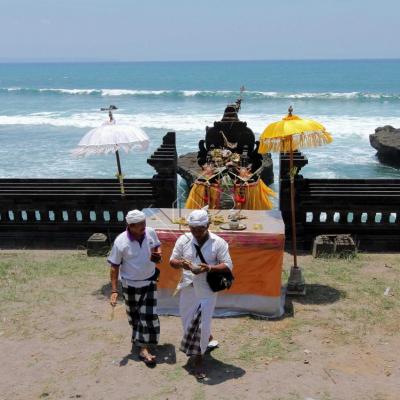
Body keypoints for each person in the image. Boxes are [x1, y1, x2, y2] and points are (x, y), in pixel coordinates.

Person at [169, 209, 233, 379]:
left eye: (200, 229)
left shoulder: (218, 242)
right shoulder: (184, 240)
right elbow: (172, 261)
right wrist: (183, 264)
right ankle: (201, 344)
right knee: (187, 320)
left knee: (203, 324)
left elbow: (228, 265)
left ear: (208, 226)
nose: (196, 232)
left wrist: (209, 268)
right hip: (188, 286)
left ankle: (198, 358)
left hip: (207, 290)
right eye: (193, 228)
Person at [108, 209, 162, 366]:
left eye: (144, 223)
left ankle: (143, 348)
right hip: (130, 284)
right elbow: (114, 266)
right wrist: (114, 290)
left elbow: (157, 245)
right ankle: (141, 341)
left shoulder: (150, 232)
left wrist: (158, 254)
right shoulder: (120, 242)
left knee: (148, 315)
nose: (143, 227)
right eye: (139, 225)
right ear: (130, 226)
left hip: (150, 281)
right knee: (135, 316)